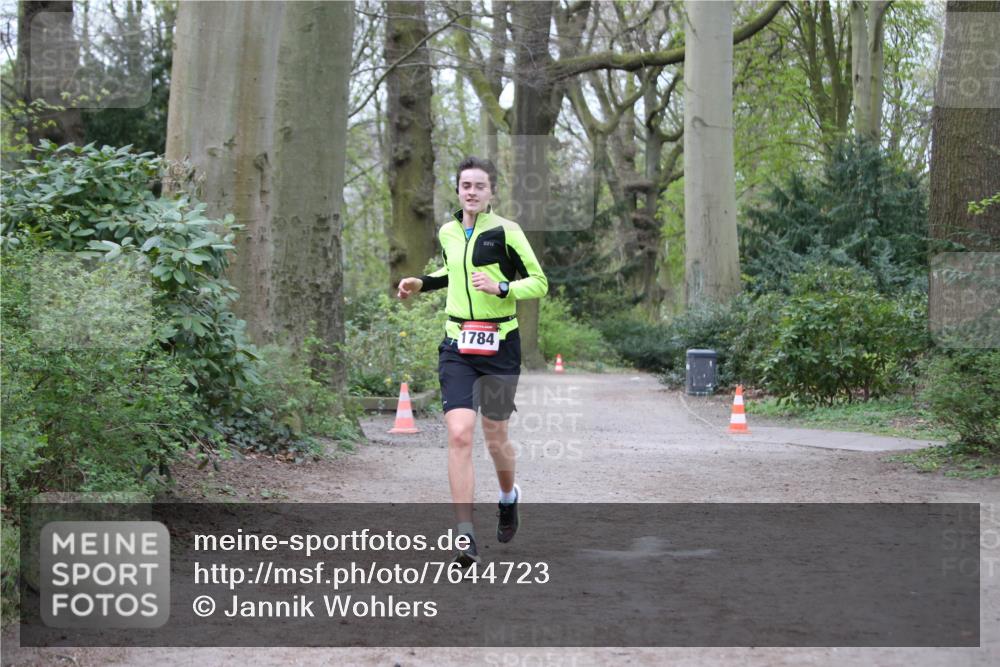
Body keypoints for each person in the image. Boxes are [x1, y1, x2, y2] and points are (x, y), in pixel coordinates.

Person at [397, 156, 548, 567]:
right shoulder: (448, 231)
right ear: (458, 190)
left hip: (500, 344)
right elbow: (452, 272)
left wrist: (501, 286)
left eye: (480, 186)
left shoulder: (507, 231)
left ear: (491, 192)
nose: (472, 192)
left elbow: (539, 282)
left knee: (495, 435)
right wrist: (421, 283)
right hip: (457, 343)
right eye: (466, 186)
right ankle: (464, 535)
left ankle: (507, 497)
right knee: (460, 433)